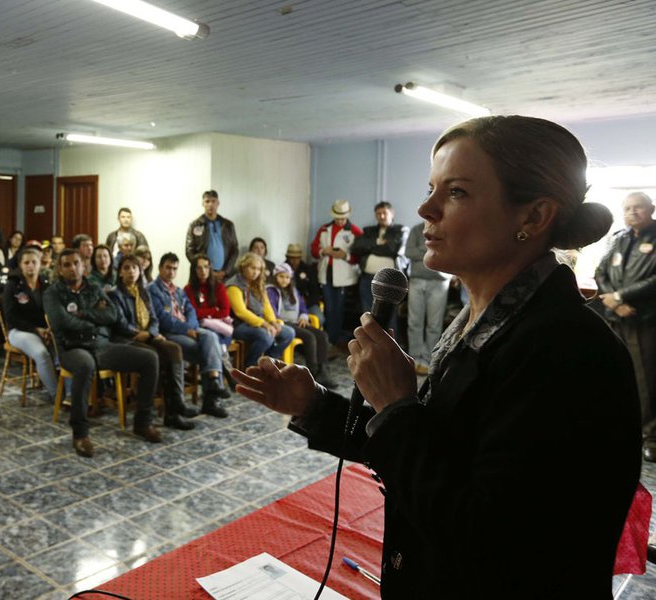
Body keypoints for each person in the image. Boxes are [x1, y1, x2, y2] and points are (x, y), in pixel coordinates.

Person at [233, 115, 640, 598]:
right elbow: (440, 450)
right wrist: (316, 406)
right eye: (432, 188)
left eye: (457, 192)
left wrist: (398, 408)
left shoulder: (566, 352)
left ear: (532, 217)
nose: (425, 208)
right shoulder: (486, 321)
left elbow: (488, 541)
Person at [44, 249, 162, 457]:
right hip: (73, 347)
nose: (72, 268)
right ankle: (80, 434)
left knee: (150, 358)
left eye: (76, 263)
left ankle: (142, 422)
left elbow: (112, 314)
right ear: (60, 270)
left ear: (83, 265)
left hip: (101, 344)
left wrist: (83, 314)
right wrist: (93, 320)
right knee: (84, 364)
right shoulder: (52, 293)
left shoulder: (94, 287)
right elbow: (61, 321)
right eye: (67, 265)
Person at [595, 191, 656, 462]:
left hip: (643, 318)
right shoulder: (619, 238)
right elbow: (600, 272)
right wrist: (612, 300)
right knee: (615, 373)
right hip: (615, 316)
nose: (632, 212)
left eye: (638, 207)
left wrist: (622, 297)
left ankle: (650, 437)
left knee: (645, 381)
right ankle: (621, 428)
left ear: (651, 209)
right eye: (628, 208)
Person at [109, 255, 197, 430]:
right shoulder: (115, 294)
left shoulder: (144, 292)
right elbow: (120, 323)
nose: (131, 272)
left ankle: (176, 406)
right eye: (126, 268)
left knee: (174, 349)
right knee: (156, 357)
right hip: (127, 339)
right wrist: (140, 333)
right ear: (120, 272)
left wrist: (150, 333)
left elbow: (154, 319)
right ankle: (154, 416)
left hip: (147, 336)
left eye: (134, 268)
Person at [149, 252, 231, 417]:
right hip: (170, 333)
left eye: (174, 269)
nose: (171, 272)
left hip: (189, 329)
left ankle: (214, 384)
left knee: (211, 337)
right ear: (160, 268)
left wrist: (191, 326)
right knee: (206, 350)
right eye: (168, 268)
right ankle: (211, 398)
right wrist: (187, 329)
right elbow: (163, 319)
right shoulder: (153, 290)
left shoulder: (178, 290)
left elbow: (191, 311)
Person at [1, 248, 58, 400]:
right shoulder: (13, 285)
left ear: (40, 264)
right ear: (20, 265)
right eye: (26, 262)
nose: (30, 266)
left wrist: (48, 329)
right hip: (19, 331)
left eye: (34, 262)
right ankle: (57, 395)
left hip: (42, 330)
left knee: (63, 347)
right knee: (42, 354)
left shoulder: (45, 284)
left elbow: (53, 310)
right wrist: (36, 330)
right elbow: (11, 317)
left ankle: (71, 392)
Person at [226, 253, 294, 367]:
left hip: (258, 322)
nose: (255, 272)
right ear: (244, 267)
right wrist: (264, 324)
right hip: (238, 324)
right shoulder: (234, 285)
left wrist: (273, 322)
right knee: (266, 336)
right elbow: (240, 312)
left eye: (258, 269)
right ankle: (249, 366)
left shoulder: (258, 284)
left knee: (288, 333)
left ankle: (268, 363)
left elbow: (266, 306)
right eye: (252, 268)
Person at [311, 199, 363, 347]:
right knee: (329, 306)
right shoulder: (324, 229)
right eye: (338, 218)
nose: (340, 221)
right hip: (326, 272)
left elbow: (360, 256)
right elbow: (313, 249)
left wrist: (345, 255)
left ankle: (332, 340)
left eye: (343, 218)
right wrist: (323, 251)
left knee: (338, 308)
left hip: (344, 276)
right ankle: (329, 339)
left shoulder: (355, 231)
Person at [405, 222, 452, 376]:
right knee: (414, 322)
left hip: (440, 282)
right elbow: (408, 252)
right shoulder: (416, 229)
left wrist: (424, 249)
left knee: (434, 324)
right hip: (417, 280)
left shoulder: (448, 228)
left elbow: (450, 252)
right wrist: (431, 249)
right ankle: (414, 359)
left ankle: (427, 360)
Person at [267, 263, 328, 376]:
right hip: (283, 323)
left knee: (321, 334)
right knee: (309, 337)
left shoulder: (293, 290)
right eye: (281, 277)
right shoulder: (271, 291)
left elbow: (302, 307)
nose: (284, 280)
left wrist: (303, 316)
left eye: (287, 277)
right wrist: (279, 321)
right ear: (275, 277)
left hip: (296, 322)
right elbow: (272, 310)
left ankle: (323, 371)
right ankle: (313, 372)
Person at [351, 201, 410, 315]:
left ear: (392, 214)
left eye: (384, 213)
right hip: (367, 277)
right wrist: (378, 242)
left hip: (389, 280)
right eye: (378, 213)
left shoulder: (401, 230)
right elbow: (356, 248)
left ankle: (388, 334)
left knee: (388, 313)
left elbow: (394, 250)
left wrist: (370, 247)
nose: (381, 216)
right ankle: (368, 333)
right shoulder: (369, 230)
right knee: (367, 313)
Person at [185, 190, 239, 283]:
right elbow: (189, 251)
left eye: (213, 201)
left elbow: (234, 250)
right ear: (203, 204)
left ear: (218, 203)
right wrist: (205, 270)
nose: (210, 204)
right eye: (207, 201)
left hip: (224, 276)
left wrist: (225, 271)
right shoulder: (195, 225)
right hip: (202, 276)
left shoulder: (228, 225)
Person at [184, 254, 233, 346]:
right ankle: (223, 357)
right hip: (201, 325)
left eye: (206, 267)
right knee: (211, 336)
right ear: (194, 270)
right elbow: (193, 312)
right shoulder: (188, 289)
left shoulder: (219, 287)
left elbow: (225, 311)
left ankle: (222, 356)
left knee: (223, 336)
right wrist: (214, 310)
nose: (203, 271)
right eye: (199, 268)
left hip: (220, 324)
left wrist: (204, 314)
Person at [284, 243, 324, 326]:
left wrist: (305, 303)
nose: (294, 261)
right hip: (288, 303)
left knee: (320, 319)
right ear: (287, 258)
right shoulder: (282, 270)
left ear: (300, 257)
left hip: (308, 302)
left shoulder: (309, 270)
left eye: (297, 258)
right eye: (291, 258)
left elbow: (315, 292)